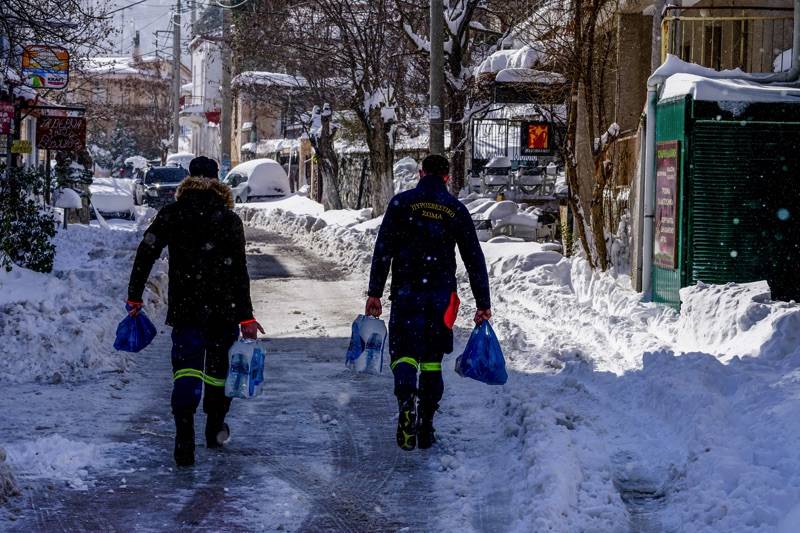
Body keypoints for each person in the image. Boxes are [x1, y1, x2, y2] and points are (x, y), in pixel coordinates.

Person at [126, 156, 264, 467]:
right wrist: (246, 316)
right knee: (218, 374)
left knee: (186, 371)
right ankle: (214, 427)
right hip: (223, 311)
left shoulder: (173, 213)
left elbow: (147, 250)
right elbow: (239, 272)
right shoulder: (228, 219)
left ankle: (183, 437)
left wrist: (135, 295)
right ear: (218, 181)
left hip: (186, 309)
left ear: (188, 179)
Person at [365, 154, 492, 451]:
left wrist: (375, 291)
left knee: (404, 353)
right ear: (447, 177)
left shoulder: (401, 204)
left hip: (407, 292)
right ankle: (426, 425)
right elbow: (473, 257)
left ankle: (406, 400)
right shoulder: (455, 209)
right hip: (441, 297)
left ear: (421, 173)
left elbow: (383, 249)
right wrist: (482, 301)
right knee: (433, 360)